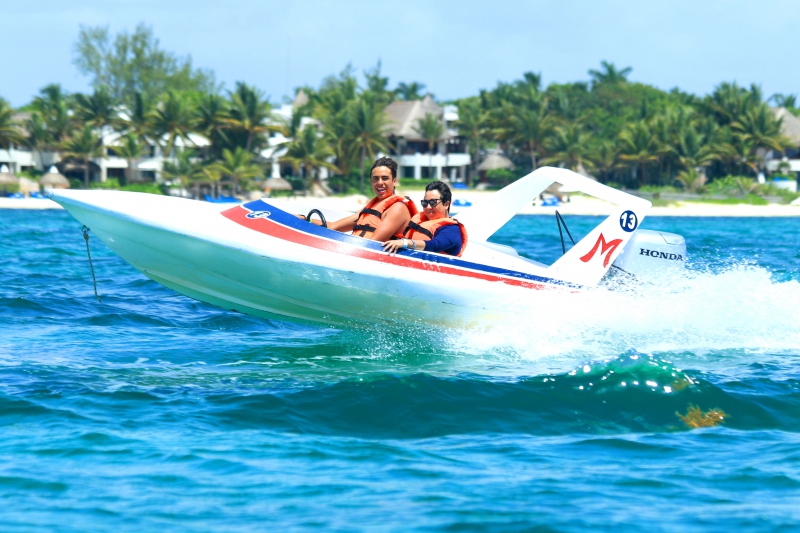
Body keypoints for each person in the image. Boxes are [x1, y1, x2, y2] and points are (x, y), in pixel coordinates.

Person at [297, 157, 417, 240]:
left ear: (394, 181)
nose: (380, 183)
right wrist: (305, 220)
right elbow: (334, 226)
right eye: (375, 179)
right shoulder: (371, 207)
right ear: (371, 182)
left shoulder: (398, 208)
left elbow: (372, 244)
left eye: (385, 178)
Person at [382, 181, 468, 257]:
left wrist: (404, 243)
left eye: (433, 202)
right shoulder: (420, 219)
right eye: (425, 203)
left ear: (446, 204)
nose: (428, 207)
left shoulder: (452, 230)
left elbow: (434, 245)